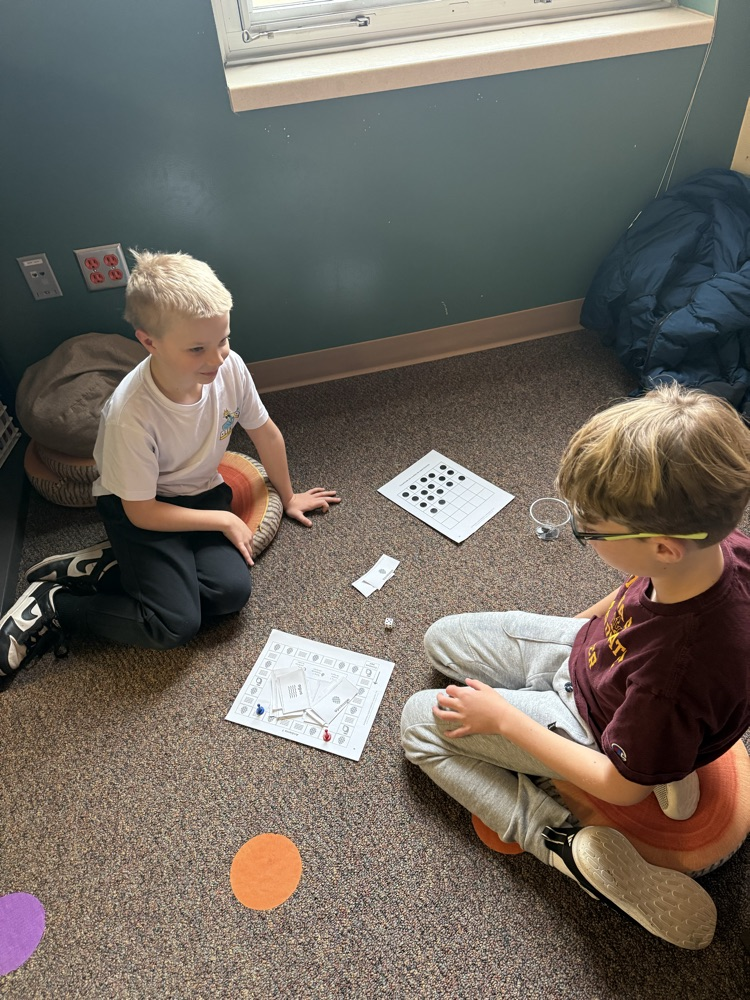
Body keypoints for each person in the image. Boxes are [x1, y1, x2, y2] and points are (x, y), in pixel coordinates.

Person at [400, 384, 750, 950]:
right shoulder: (721, 544)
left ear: (663, 547)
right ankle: (672, 760)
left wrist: (505, 721)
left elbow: (621, 788)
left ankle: (562, 846)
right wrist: (579, 632)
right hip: (594, 656)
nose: (583, 537)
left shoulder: (673, 677)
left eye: (591, 532)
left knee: (419, 722)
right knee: (441, 641)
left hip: (600, 727)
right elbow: (635, 593)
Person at [1, 250, 340, 686]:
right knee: (173, 625)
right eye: (197, 348)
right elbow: (142, 511)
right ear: (149, 342)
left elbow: (266, 432)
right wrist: (221, 519)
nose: (217, 358)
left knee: (229, 595)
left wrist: (289, 496)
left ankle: (108, 568)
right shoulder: (131, 414)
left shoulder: (228, 368)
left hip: (198, 494)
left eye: (223, 340)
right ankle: (56, 604)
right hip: (139, 509)